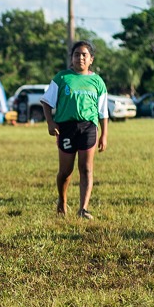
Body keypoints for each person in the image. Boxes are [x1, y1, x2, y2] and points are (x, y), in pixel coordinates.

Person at [40, 41, 109, 219]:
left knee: (86, 169)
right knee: (66, 171)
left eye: (84, 55)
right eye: (76, 54)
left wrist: (104, 135)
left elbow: (103, 112)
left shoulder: (97, 81)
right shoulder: (62, 78)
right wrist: (50, 123)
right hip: (66, 128)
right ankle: (62, 201)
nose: (80, 58)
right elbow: (46, 102)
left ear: (91, 59)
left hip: (88, 127)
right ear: (71, 58)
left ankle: (83, 209)